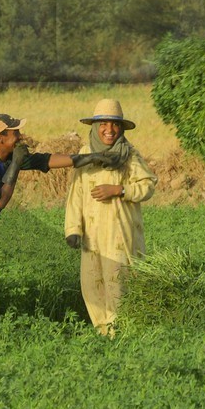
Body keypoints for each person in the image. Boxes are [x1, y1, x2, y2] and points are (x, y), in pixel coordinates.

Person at [0, 113, 117, 324]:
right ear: (0, 138)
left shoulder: (8, 156)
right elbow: (0, 200)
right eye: (15, 133)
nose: (20, 136)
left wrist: (89, 158)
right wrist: (16, 164)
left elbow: (44, 160)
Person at [63, 98, 158, 332]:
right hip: (92, 236)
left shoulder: (129, 155)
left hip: (120, 234)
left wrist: (120, 190)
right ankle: (103, 333)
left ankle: (120, 333)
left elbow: (148, 186)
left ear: (122, 128)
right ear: (95, 126)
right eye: (104, 124)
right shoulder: (85, 154)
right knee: (92, 284)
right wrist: (73, 229)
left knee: (119, 283)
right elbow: (76, 194)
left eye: (115, 124)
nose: (110, 130)